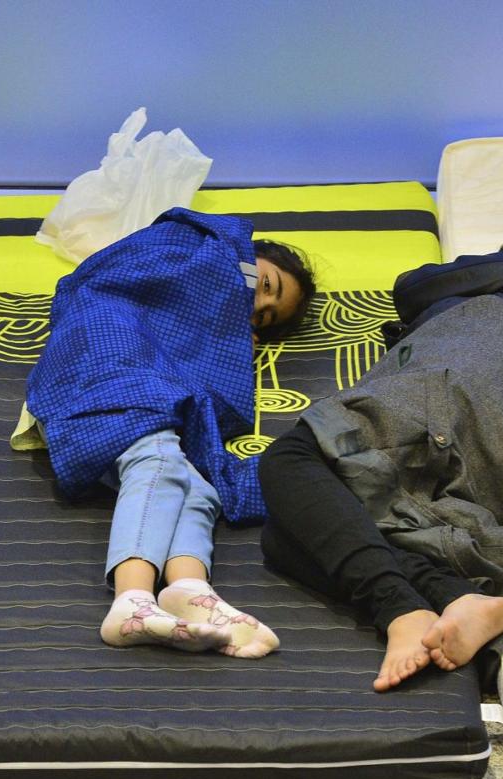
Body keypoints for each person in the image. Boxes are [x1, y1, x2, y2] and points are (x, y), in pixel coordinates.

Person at [258, 232, 503, 691]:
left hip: (460, 390)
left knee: (291, 455)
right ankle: (457, 595)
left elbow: (414, 286)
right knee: (289, 535)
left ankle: (400, 609)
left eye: (264, 286)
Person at [25, 209, 315, 658]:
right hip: (104, 340)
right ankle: (132, 601)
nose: (254, 306)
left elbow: (201, 358)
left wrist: (228, 339)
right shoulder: (192, 243)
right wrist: (224, 314)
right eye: (265, 286)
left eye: (264, 318)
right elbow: (109, 277)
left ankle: (189, 591)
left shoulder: (233, 319)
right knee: (158, 458)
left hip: (154, 374)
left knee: (197, 485)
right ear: (249, 255)